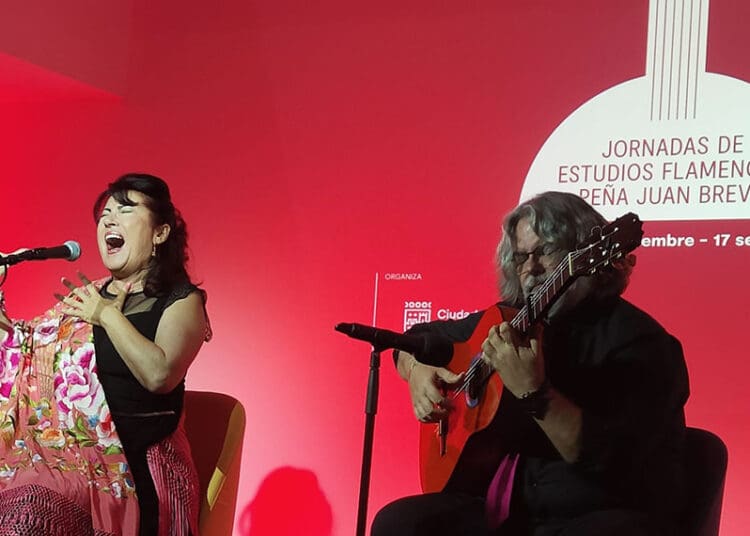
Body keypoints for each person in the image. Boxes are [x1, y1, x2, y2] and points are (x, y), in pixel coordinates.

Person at [371, 191, 689, 536]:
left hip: (597, 510)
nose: (531, 269)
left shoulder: (642, 343)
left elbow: (612, 462)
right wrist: (416, 372)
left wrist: (533, 392)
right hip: (511, 511)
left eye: (546, 251)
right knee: (401, 523)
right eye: (521, 257)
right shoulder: (509, 321)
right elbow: (413, 341)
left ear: (584, 254)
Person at [0, 173, 211, 535]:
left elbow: (160, 375)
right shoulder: (87, 297)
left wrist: (107, 315)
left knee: (29, 516)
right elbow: (28, 357)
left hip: (134, 467)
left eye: (125, 211)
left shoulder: (181, 300)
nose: (109, 220)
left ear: (160, 233)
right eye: (104, 215)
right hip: (63, 464)